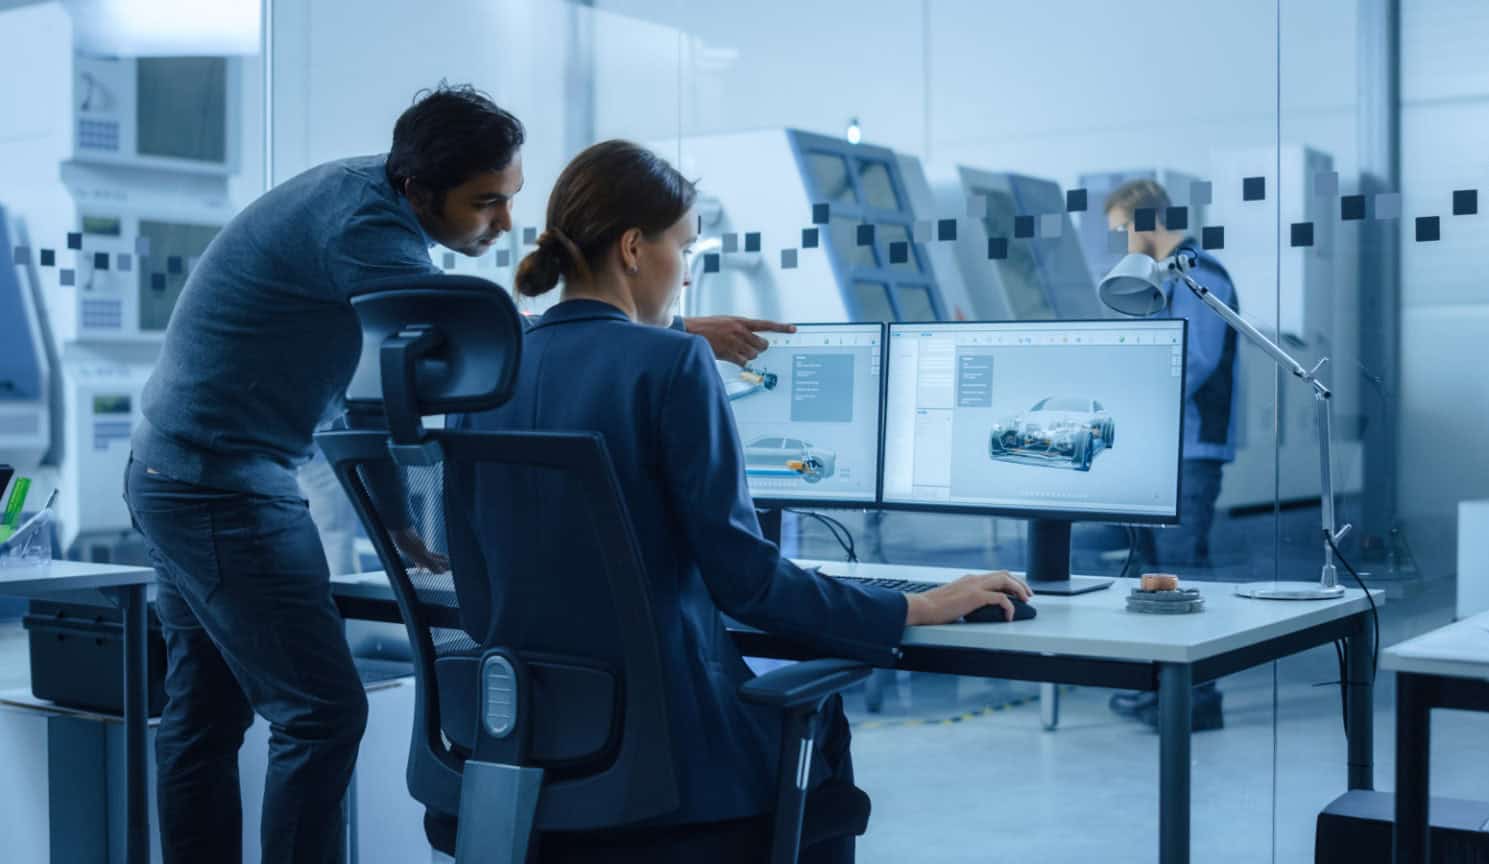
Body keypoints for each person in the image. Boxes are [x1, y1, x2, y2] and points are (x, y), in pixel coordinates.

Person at [124, 84, 795, 864]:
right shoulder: (367, 227)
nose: (506, 222)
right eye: (486, 204)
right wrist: (666, 335)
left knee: (203, 720)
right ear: (416, 190)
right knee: (319, 717)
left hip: (173, 469)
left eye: (509, 197)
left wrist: (400, 522)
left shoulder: (366, 200)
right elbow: (480, 339)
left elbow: (375, 391)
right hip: (221, 484)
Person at [453, 139, 1032, 863]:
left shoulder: (490, 370)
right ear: (635, 248)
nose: (686, 273)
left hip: (526, 746)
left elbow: (476, 598)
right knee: (821, 728)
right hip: (672, 763)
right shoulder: (672, 363)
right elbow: (747, 582)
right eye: (685, 249)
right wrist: (912, 605)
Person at [1103, 178, 1240, 732]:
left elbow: (1195, 359)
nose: (1122, 244)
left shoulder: (1200, 275)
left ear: (1145, 222)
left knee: (1183, 574)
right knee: (1155, 575)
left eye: (1121, 231)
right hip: (1163, 444)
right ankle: (1164, 688)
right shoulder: (1164, 277)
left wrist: (1137, 396)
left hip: (1191, 447)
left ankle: (1197, 698)